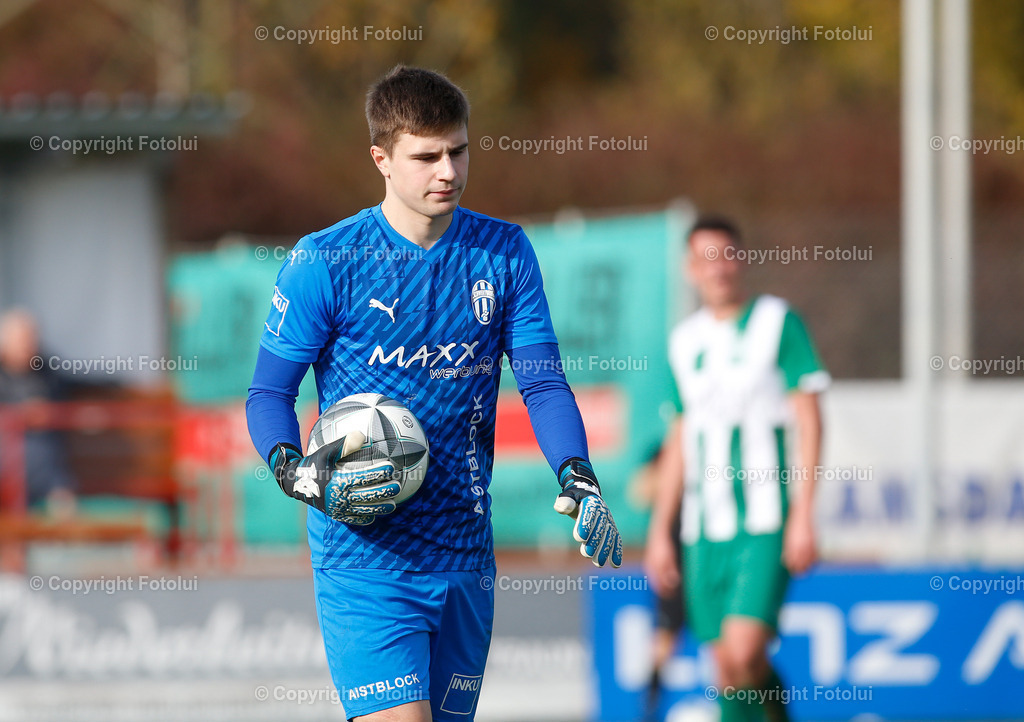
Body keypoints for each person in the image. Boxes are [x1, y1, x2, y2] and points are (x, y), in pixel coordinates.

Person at [245, 65, 622, 722]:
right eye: (426, 156)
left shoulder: (504, 254)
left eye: (458, 150)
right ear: (381, 159)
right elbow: (267, 393)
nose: (447, 170)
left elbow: (542, 383)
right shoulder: (325, 261)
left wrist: (579, 475)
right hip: (365, 552)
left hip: (465, 552)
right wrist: (293, 469)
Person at [645, 217, 828, 722]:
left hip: (765, 519)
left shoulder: (777, 322)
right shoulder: (684, 341)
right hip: (703, 529)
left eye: (726, 254)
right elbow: (679, 439)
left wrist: (804, 515)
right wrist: (661, 532)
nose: (718, 268)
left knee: (745, 649)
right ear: (689, 269)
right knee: (725, 667)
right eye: (706, 258)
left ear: (741, 259)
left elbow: (810, 421)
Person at [0, 308, 76, 513]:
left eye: (30, 338)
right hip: (6, 458)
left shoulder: (47, 371)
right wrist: (20, 415)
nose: (27, 344)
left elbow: (76, 383)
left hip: (45, 463)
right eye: (21, 339)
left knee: (58, 487)